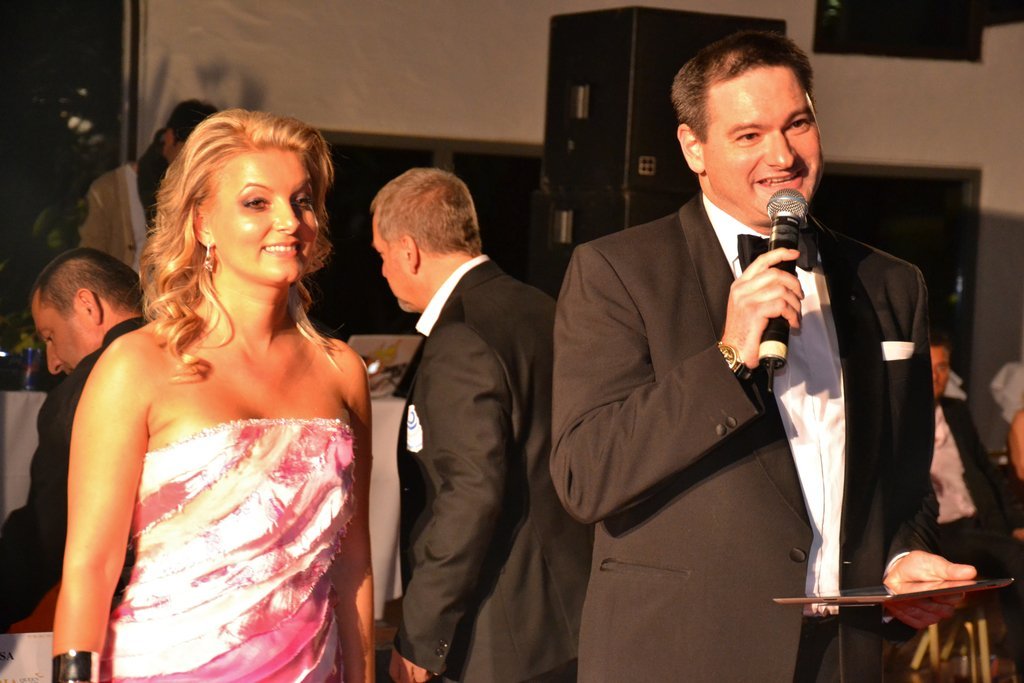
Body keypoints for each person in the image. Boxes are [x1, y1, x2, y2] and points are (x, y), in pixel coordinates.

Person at [550, 30, 975, 681]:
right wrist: (725, 358)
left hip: (841, 655)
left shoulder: (891, 284)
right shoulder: (618, 273)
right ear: (694, 148)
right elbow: (586, 474)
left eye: (797, 124)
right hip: (681, 653)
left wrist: (901, 558)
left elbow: (907, 480)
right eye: (749, 135)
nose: (782, 154)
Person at [51, 109, 374, 682]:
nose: (289, 221)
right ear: (202, 222)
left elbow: (353, 565)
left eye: (301, 201)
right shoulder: (137, 365)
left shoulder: (340, 370)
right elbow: (90, 566)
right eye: (257, 202)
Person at [371, 168, 590, 682]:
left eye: (381, 255)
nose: (382, 270)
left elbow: (467, 495)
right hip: (571, 610)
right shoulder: (540, 306)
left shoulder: (461, 336)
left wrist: (421, 634)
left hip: (504, 629)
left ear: (409, 251)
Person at [0, 248, 142, 632]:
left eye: (51, 336)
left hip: (125, 615)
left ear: (87, 305)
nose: (53, 363)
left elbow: (50, 534)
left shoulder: (85, 389)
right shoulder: (200, 355)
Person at [929, 329, 1024, 668]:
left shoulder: (955, 412)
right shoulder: (899, 423)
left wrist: (1016, 523)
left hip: (978, 524)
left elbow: (987, 472)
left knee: (1015, 545)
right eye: (929, 368)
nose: (936, 376)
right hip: (939, 534)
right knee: (1014, 556)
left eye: (942, 368)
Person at [78, 99, 217, 270]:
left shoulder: (206, 190)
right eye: (190, 152)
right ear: (169, 138)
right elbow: (89, 266)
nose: (195, 163)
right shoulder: (108, 190)